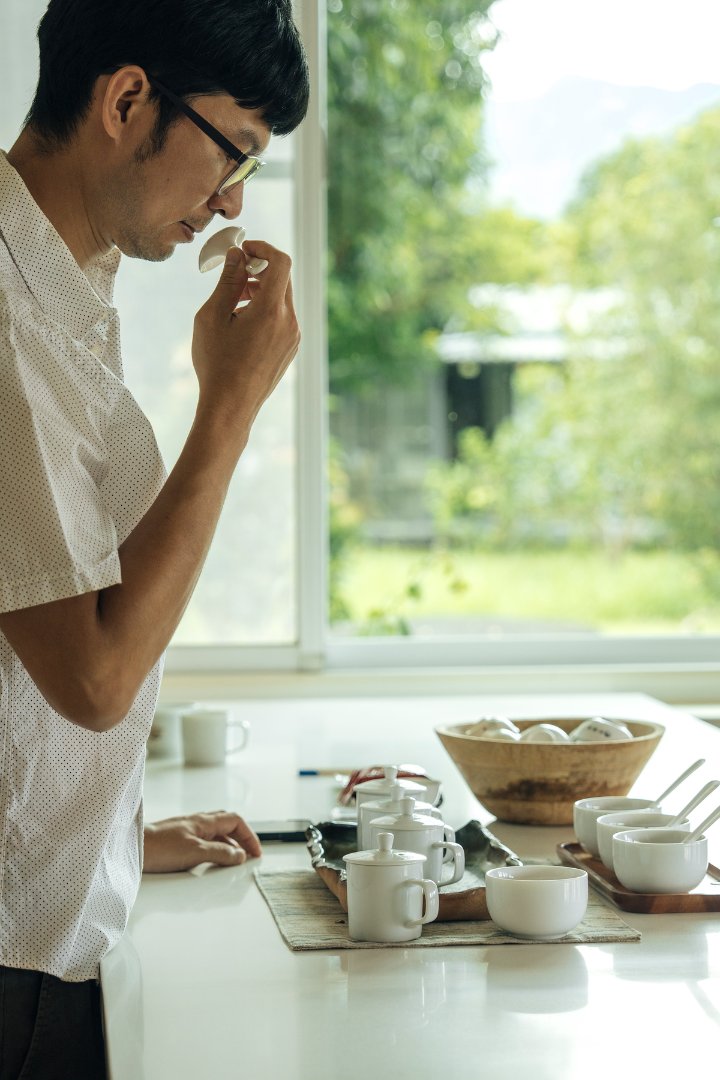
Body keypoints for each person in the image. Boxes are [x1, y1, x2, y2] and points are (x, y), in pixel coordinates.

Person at [0, 0, 309, 1075]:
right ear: (127, 100)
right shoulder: (9, 321)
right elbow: (90, 678)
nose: (229, 204)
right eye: (235, 153)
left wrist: (116, 841)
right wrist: (229, 408)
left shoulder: (64, 291)